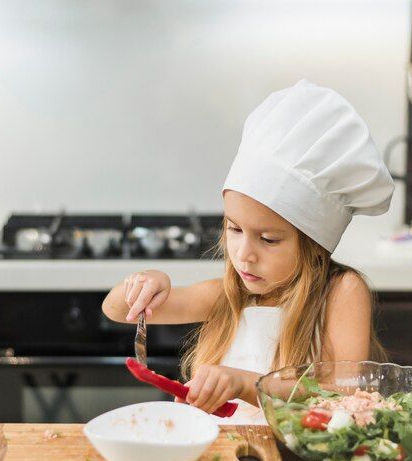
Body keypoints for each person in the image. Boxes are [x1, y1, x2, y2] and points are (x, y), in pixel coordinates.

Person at [102, 80, 394, 424]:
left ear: (314, 246)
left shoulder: (341, 292)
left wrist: (244, 383)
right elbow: (116, 309)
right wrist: (146, 283)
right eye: (234, 229)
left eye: (268, 239)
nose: (244, 253)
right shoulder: (227, 296)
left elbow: (342, 392)